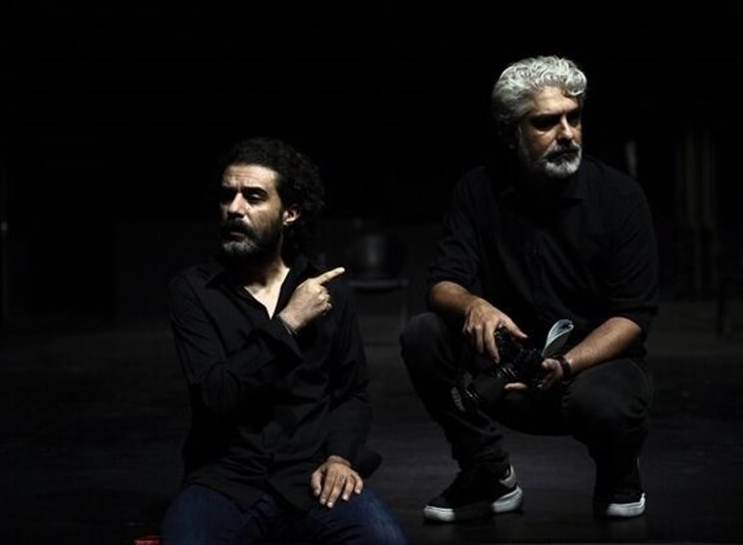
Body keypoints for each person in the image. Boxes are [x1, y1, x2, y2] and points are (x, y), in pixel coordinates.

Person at [400, 55, 658, 523]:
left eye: (574, 118)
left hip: (589, 372)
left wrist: (566, 364)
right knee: (423, 334)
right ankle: (489, 473)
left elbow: (633, 315)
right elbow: (442, 283)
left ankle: (619, 467)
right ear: (510, 132)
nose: (567, 134)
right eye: (546, 122)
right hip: (506, 368)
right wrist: (474, 305)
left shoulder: (621, 196)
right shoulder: (478, 189)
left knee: (603, 401)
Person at [160, 137, 409, 545]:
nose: (234, 208)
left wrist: (339, 457)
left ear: (290, 213)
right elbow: (216, 394)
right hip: (225, 481)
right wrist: (289, 322)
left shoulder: (327, 292)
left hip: (311, 478)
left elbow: (352, 393)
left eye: (253, 197)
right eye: (227, 196)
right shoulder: (193, 291)